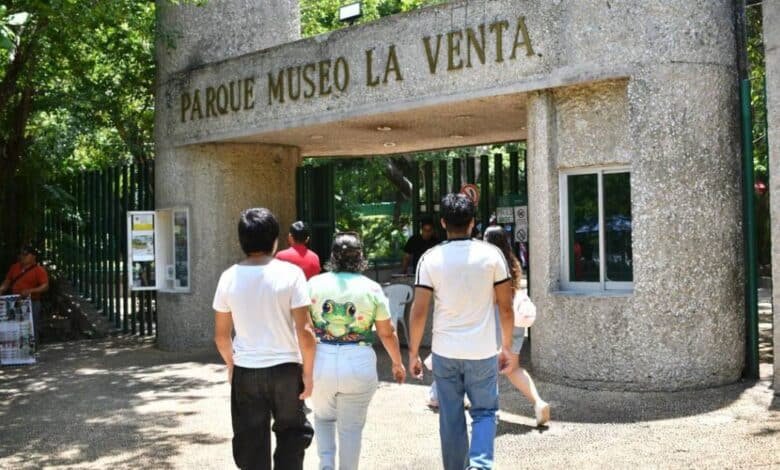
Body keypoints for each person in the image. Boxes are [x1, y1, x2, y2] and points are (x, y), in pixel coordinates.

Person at [408, 193, 516, 470]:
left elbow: (419, 311)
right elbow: (505, 307)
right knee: (485, 412)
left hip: (445, 351)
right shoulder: (492, 255)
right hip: (481, 351)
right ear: (473, 222)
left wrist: (412, 354)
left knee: (451, 417)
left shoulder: (429, 259)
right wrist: (507, 347)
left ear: (443, 222)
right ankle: (480, 466)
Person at [212, 208, 317, 470]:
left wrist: (231, 364)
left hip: (247, 371)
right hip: (286, 369)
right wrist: (308, 372)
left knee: (250, 443)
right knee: (292, 436)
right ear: (275, 239)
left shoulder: (228, 277)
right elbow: (305, 331)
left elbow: (221, 336)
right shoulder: (291, 274)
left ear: (242, 240)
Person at [308, 232, 406, 470]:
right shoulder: (371, 288)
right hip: (359, 362)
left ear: (332, 256)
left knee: (322, 418)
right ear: (360, 257)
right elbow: (386, 332)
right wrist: (397, 363)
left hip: (321, 359)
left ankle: (326, 466)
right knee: (351, 429)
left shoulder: (314, 284)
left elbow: (302, 328)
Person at [483, 226, 550, 426]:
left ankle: (490, 411)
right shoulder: (513, 262)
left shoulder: (489, 264)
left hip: (497, 320)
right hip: (516, 321)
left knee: (488, 369)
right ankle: (538, 402)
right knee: (513, 368)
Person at [0, 245, 49, 341]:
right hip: (14, 302)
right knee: (14, 327)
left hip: (32, 303)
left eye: (25, 254)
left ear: (33, 256)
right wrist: (1, 289)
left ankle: (33, 352)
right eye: (21, 254)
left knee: (31, 328)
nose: (22, 256)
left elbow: (45, 286)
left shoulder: (39, 270)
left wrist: (31, 291)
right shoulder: (14, 267)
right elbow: (7, 281)